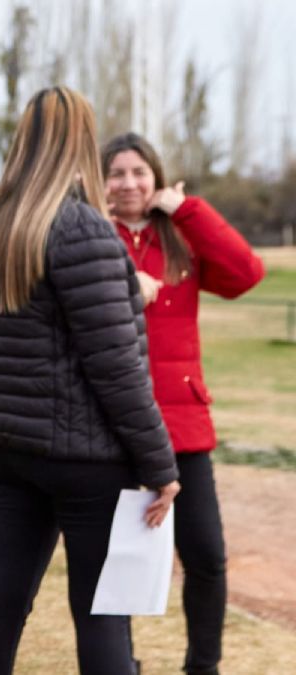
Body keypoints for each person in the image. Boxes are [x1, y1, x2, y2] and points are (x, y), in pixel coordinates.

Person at [0, 88, 180, 675]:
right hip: (79, 453)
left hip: (3, 442)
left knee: (3, 599)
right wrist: (161, 466)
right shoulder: (83, 229)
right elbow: (117, 368)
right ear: (80, 143)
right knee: (101, 613)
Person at [103, 133, 265, 675]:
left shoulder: (182, 236)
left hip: (183, 422)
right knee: (119, 557)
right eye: (117, 172)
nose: (129, 183)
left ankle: (203, 665)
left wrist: (187, 209)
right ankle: (121, 662)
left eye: (139, 172)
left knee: (207, 556)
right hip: (114, 422)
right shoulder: (93, 236)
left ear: (156, 178)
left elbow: (245, 275)